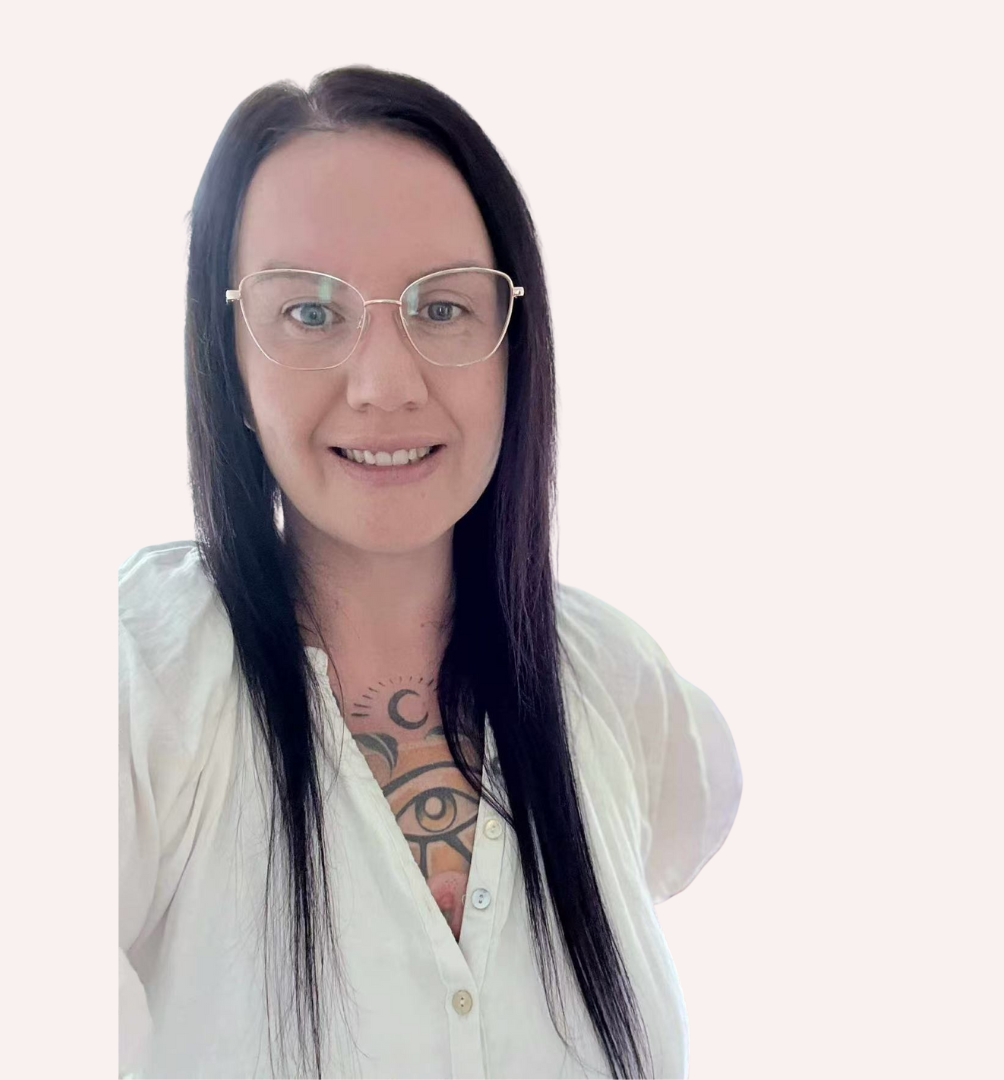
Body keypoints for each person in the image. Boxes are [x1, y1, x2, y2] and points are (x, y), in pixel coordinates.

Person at [119, 66, 743, 1080]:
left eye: (443, 308)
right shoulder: (137, 678)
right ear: (228, 357)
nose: (385, 384)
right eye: (309, 313)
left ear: (512, 345)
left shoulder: (626, 692)